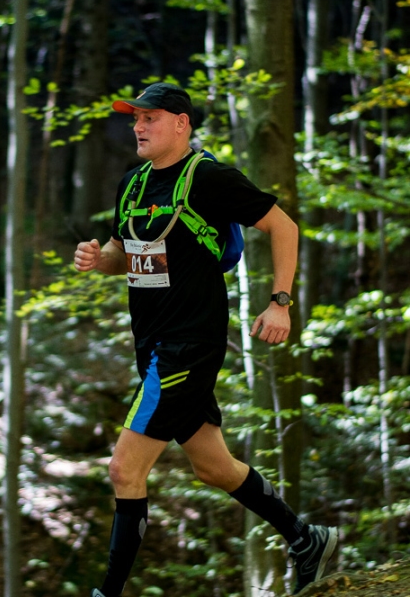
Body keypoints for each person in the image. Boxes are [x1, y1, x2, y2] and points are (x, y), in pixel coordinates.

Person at [74, 82, 337, 596]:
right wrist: (97, 259)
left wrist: (280, 302)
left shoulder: (209, 178)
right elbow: (125, 255)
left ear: (181, 124)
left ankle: (108, 592)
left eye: (150, 118)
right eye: (135, 119)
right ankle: (307, 539)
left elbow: (284, 227)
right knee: (214, 468)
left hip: (188, 345)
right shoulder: (132, 184)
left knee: (124, 470)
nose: (138, 127)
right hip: (152, 344)